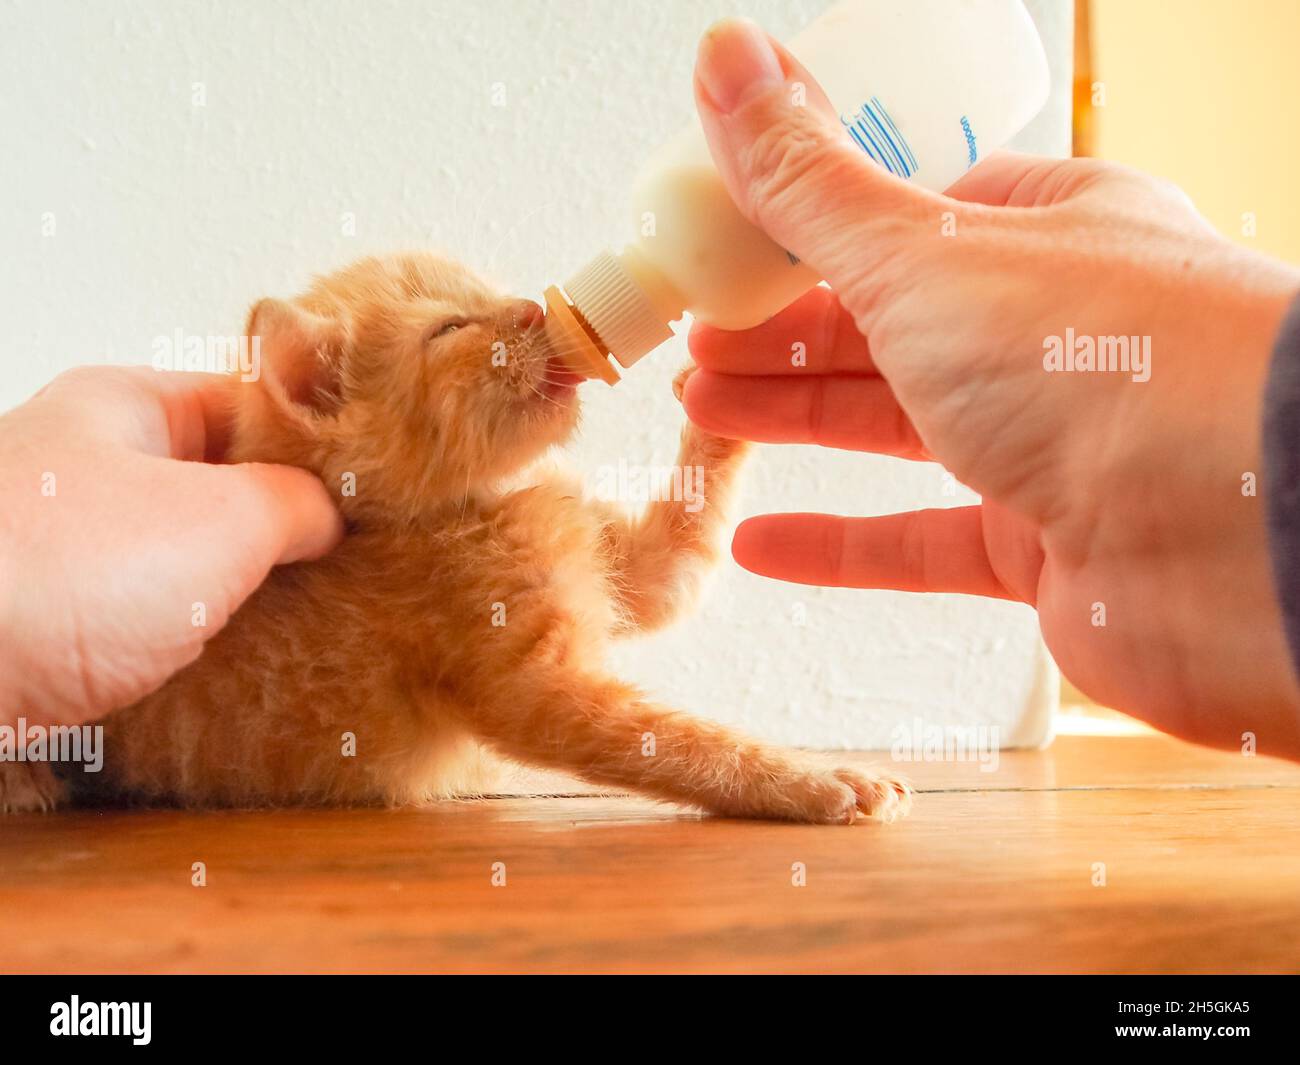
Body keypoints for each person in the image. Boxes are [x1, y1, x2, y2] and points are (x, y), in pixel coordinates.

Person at [2, 19, 1297, 759]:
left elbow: (656, 578)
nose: (520, 314)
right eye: (459, 327)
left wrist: (710, 434)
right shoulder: (354, 557)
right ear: (318, 394)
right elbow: (557, 707)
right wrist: (768, 777)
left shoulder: (504, 522)